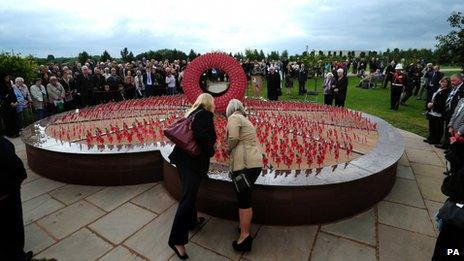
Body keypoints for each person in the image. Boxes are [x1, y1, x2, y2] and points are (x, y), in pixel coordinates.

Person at [168, 93, 217, 259]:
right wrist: (211, 151)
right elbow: (202, 136)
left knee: (190, 194)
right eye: (213, 102)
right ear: (209, 103)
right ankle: (176, 240)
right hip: (192, 163)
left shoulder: (192, 113)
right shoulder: (205, 114)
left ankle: (192, 221)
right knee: (187, 199)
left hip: (183, 159)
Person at [225, 99, 263, 252]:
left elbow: (233, 138)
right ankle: (243, 226)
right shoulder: (246, 119)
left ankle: (245, 236)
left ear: (230, 109)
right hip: (254, 163)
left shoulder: (234, 117)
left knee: (243, 201)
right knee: (246, 197)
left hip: (244, 164)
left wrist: (228, 148)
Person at [0, 136, 33, 261]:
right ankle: (18, 256)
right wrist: (19, 179)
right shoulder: (3, 145)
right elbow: (15, 165)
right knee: (12, 225)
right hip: (6, 194)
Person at [436, 74, 464, 149]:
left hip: (456, 113)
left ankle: (449, 146)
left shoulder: (462, 89)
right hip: (449, 111)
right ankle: (446, 144)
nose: (451, 82)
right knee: (448, 127)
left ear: (459, 80)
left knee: (453, 129)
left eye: (453, 80)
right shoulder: (455, 87)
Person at [425, 77, 452, 144]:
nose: (443, 83)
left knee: (438, 126)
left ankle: (436, 140)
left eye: (445, 82)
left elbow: (442, 102)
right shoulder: (439, 89)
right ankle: (430, 138)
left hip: (439, 111)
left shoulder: (447, 91)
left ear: (448, 84)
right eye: (442, 81)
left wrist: (432, 104)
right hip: (432, 109)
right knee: (432, 125)